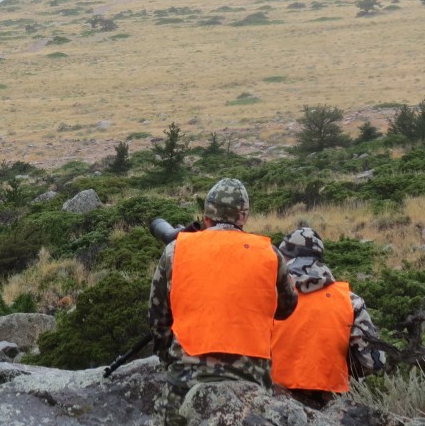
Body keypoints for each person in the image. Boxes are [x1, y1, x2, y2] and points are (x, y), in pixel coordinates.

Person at [149, 178, 298, 425]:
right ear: (243, 218)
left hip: (185, 380)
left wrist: (170, 361)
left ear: (207, 217)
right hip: (249, 383)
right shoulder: (270, 254)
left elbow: (157, 320)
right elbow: (287, 308)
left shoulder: (175, 250)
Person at [271, 224, 387, 408]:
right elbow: (374, 361)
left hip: (273, 401)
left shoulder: (270, 295)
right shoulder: (351, 301)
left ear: (285, 258)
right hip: (327, 407)